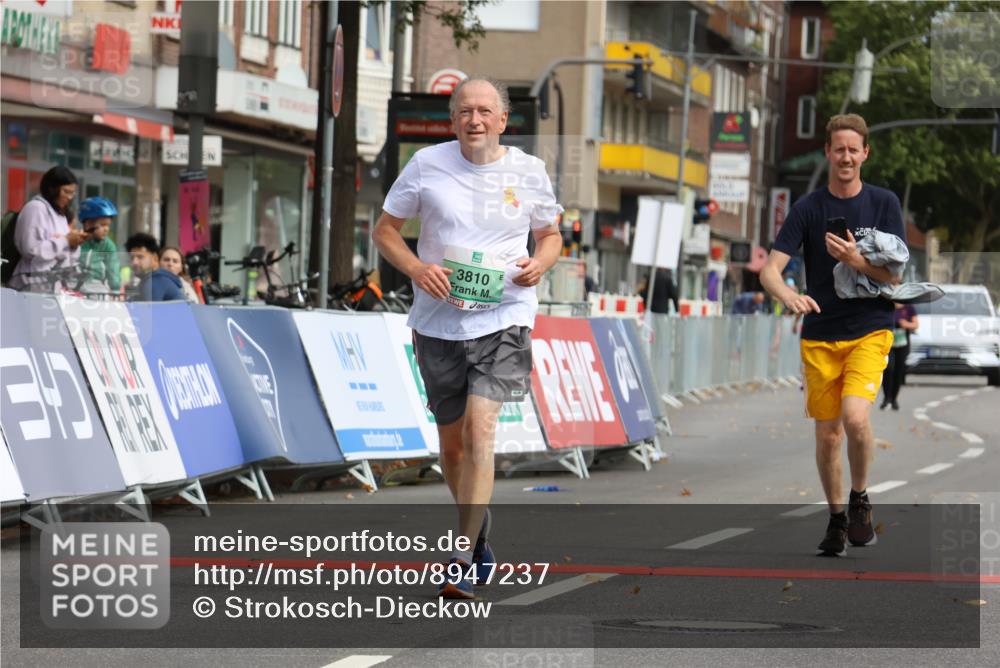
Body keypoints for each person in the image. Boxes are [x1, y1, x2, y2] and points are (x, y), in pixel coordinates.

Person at [373, 77, 563, 599]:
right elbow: (385, 230)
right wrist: (417, 267)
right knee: (453, 448)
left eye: (484, 111)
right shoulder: (426, 166)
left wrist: (538, 265)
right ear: (452, 120)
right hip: (438, 320)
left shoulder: (528, 171)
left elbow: (550, 236)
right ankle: (478, 533)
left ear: (503, 120)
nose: (474, 120)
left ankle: (460, 555)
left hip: (505, 314)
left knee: (482, 429)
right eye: (464, 112)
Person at [760, 113, 904, 557]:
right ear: (828, 153)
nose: (845, 156)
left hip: (870, 328)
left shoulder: (884, 204)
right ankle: (837, 519)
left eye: (852, 149)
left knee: (856, 418)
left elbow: (895, 279)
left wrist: (857, 260)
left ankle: (860, 498)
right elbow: (770, 270)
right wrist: (788, 295)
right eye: (837, 149)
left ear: (865, 153)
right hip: (820, 334)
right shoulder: (808, 209)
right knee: (828, 436)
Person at [9, 166, 87, 290]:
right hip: (29, 284)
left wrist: (73, 245)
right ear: (52, 189)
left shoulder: (60, 215)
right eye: (66, 192)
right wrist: (65, 241)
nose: (70, 197)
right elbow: (31, 251)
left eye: (72, 193)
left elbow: (65, 256)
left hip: (50, 285)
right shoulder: (35, 208)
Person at [78, 197, 122, 293]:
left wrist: (115, 289)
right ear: (88, 224)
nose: (106, 229)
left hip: (96, 287)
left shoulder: (108, 246)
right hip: (73, 286)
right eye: (102, 225)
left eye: (108, 225)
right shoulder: (77, 241)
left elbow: (113, 268)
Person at [124, 233, 185, 302]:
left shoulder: (155, 280)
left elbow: (148, 311)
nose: (134, 262)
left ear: (155, 258)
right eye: (132, 258)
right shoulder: (150, 280)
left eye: (140, 257)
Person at [880, 302, 918, 410]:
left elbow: (915, 325)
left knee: (898, 371)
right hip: (888, 344)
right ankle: (886, 398)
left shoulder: (908, 307)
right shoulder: (885, 305)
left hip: (902, 344)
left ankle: (894, 399)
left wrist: (905, 324)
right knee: (889, 368)